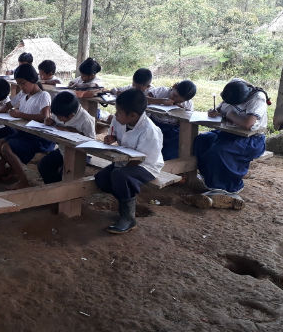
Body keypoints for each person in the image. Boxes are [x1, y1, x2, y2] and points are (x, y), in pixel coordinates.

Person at [189, 78, 270, 210]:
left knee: (219, 150)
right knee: (201, 140)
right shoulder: (235, 86)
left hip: (251, 140)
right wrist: (216, 111)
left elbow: (248, 124)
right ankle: (210, 182)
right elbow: (222, 108)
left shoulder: (257, 98)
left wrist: (230, 114)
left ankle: (228, 188)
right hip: (228, 133)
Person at [94, 89, 164, 234]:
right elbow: (114, 133)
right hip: (124, 160)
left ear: (132, 115)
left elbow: (144, 158)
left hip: (146, 165)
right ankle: (123, 198)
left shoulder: (149, 130)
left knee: (119, 176)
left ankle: (128, 217)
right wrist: (111, 138)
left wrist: (120, 169)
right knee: (101, 179)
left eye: (119, 112)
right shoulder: (119, 120)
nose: (115, 115)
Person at [0, 63, 54, 190]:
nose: (21, 87)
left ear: (33, 80)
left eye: (23, 83)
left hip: (39, 137)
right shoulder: (23, 94)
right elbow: (9, 104)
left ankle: (23, 180)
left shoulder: (43, 96)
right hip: (25, 134)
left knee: (6, 148)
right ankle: (13, 170)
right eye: (19, 84)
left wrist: (21, 114)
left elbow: (44, 117)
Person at [37, 91, 96, 184]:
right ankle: (53, 187)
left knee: (66, 173)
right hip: (63, 149)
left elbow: (91, 141)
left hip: (80, 154)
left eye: (60, 117)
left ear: (71, 115)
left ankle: (60, 190)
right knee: (43, 164)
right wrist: (48, 121)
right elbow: (52, 119)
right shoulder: (60, 112)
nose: (57, 118)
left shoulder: (86, 119)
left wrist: (70, 130)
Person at [147, 80, 197, 160]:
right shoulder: (161, 91)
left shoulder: (188, 104)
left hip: (172, 129)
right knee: (151, 142)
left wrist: (182, 112)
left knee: (176, 144)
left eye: (179, 100)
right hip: (154, 124)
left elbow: (187, 121)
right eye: (174, 95)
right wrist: (161, 101)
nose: (174, 99)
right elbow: (143, 98)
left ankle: (167, 165)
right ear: (174, 86)